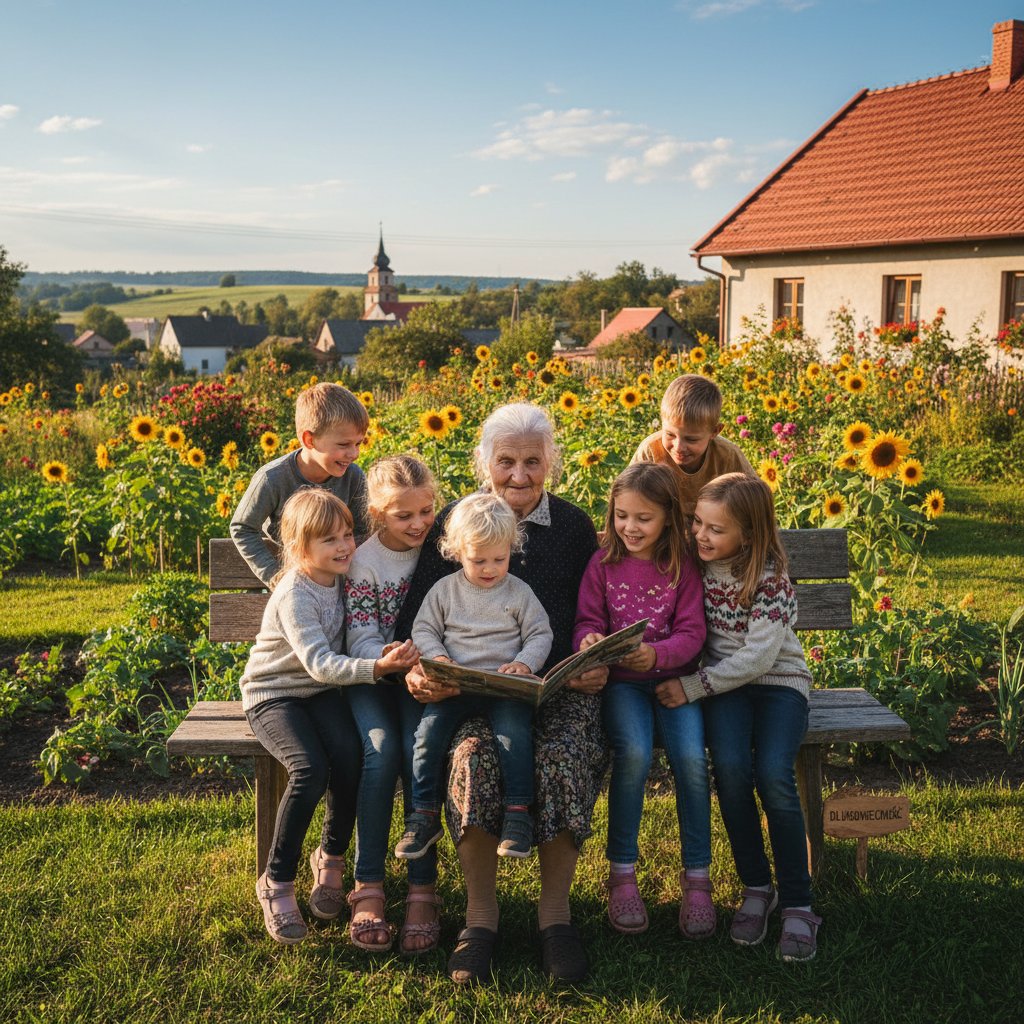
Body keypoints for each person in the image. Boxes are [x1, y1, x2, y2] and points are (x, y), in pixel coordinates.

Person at [392, 402, 604, 986]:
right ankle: (480, 918)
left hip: (557, 685)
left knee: (562, 755)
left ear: (550, 464)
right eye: (505, 460)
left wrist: (591, 659)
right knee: (469, 756)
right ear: (484, 462)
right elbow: (418, 618)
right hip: (474, 688)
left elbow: (593, 610)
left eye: (532, 461)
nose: (518, 474)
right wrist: (419, 671)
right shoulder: (458, 524)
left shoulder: (572, 527)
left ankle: (555, 917)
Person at [241, 489, 416, 944]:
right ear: (300, 551)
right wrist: (378, 668)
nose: (344, 547)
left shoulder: (343, 577)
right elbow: (319, 662)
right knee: (309, 768)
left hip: (322, 693)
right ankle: (276, 881)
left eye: (347, 534)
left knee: (352, 757)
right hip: (274, 695)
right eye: (329, 541)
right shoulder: (294, 593)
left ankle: (331, 859)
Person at [678, 472, 821, 962]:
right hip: (726, 690)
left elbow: (760, 659)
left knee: (774, 775)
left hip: (778, 685)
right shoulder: (695, 565)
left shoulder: (770, 577)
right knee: (733, 772)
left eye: (715, 529)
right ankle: (758, 887)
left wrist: (693, 685)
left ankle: (799, 902)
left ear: (750, 534)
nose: (701, 535)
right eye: (697, 523)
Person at [573, 463, 710, 938]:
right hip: (623, 686)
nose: (630, 528)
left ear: (669, 519)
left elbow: (694, 633)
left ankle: (697, 878)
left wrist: (656, 655)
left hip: (676, 683)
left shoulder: (682, 567)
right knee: (631, 753)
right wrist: (590, 642)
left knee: (691, 759)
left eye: (643, 519)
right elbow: (587, 620)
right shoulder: (603, 564)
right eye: (621, 516)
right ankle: (622, 873)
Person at [398, 492, 552, 865]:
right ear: (456, 551)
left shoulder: (518, 592)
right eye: (478, 560)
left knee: (513, 735)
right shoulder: (445, 591)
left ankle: (518, 815)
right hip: (454, 685)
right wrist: (436, 656)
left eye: (499, 559)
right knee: (426, 737)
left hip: (504, 686)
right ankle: (424, 814)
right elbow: (424, 630)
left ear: (511, 549)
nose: (489, 568)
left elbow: (540, 634)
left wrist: (524, 664)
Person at [344, 454, 441, 953]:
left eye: (426, 510)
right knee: (381, 754)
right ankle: (369, 885)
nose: (419, 523)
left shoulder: (441, 549)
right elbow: (358, 634)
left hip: (420, 678)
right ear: (379, 514)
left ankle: (423, 889)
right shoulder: (365, 561)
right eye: (404, 516)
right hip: (373, 678)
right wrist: (384, 657)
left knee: (417, 753)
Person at [231, 382, 370, 586]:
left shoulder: (353, 477)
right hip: (291, 579)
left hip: (337, 579)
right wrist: (276, 577)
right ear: (309, 440)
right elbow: (243, 528)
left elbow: (362, 532)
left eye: (358, 443)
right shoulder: (273, 478)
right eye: (344, 445)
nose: (354, 453)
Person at [632, 373, 756, 515]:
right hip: (663, 529)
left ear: (715, 432)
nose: (678, 447)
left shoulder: (728, 455)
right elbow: (627, 495)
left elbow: (755, 499)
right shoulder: (651, 451)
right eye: (670, 434)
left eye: (691, 440)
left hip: (714, 530)